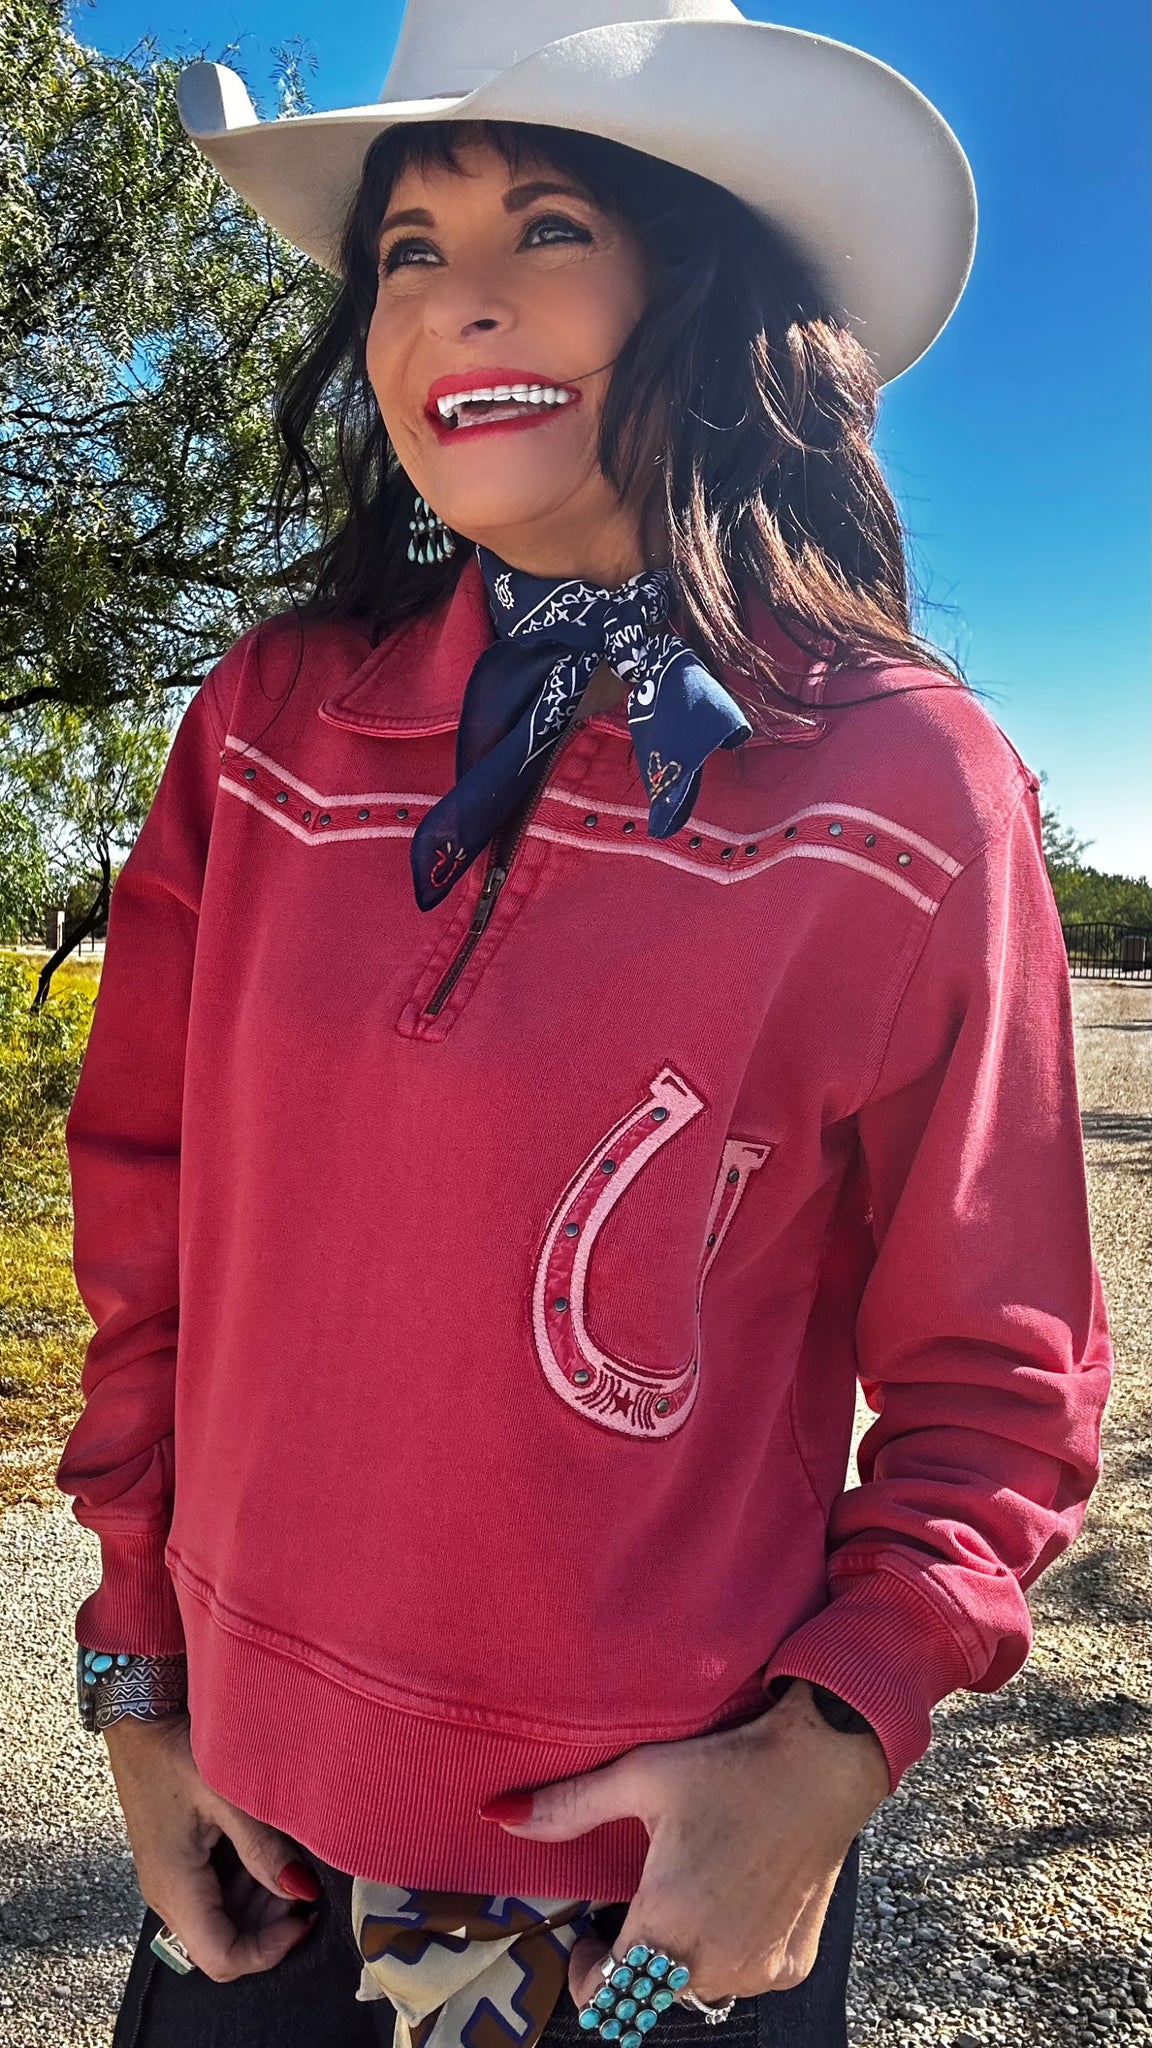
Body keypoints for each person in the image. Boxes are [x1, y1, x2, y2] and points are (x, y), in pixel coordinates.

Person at [54, 4, 1114, 2045]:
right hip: (258, 1842)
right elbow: (151, 1240)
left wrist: (827, 1754)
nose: (456, 303)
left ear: (709, 292)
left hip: (649, 1891)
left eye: (548, 226)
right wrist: (137, 1678)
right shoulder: (266, 729)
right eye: (407, 247)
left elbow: (999, 1377)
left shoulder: (905, 791)